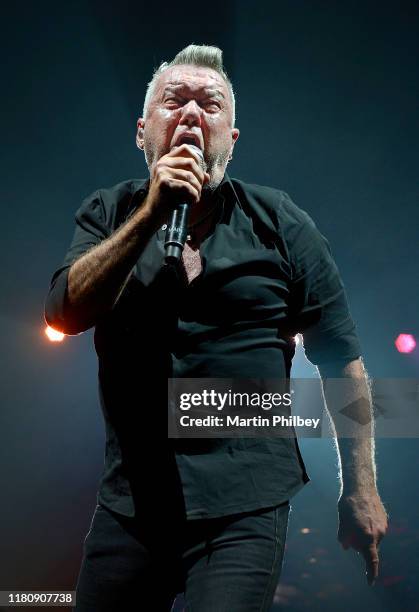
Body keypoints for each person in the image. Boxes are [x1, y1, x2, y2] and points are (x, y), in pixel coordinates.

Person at [44, 44, 388, 611]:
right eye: (174, 101)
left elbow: (342, 359)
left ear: (231, 137)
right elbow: (64, 312)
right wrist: (150, 214)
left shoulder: (280, 221)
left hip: (246, 504)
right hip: (132, 504)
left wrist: (362, 488)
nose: (192, 115)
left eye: (211, 104)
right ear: (141, 131)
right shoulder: (108, 213)